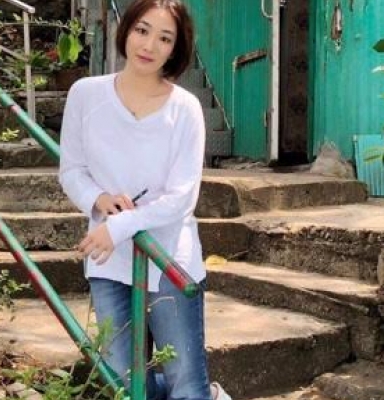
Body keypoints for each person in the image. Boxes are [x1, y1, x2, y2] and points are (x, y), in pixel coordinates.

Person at [57, 0, 228, 399]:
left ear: (176, 49)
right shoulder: (86, 94)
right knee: (125, 384)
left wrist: (119, 226)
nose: (149, 45)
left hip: (169, 258)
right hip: (108, 262)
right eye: (142, 30)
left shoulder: (185, 109)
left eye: (164, 38)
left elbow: (182, 198)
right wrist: (98, 199)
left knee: (186, 383)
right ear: (126, 30)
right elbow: (72, 170)